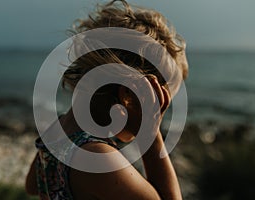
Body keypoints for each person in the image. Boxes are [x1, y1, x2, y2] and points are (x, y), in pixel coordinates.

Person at [26, 0, 188, 199]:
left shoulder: (57, 132)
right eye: (160, 104)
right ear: (128, 95)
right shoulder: (97, 157)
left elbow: (33, 185)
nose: (160, 114)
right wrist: (150, 134)